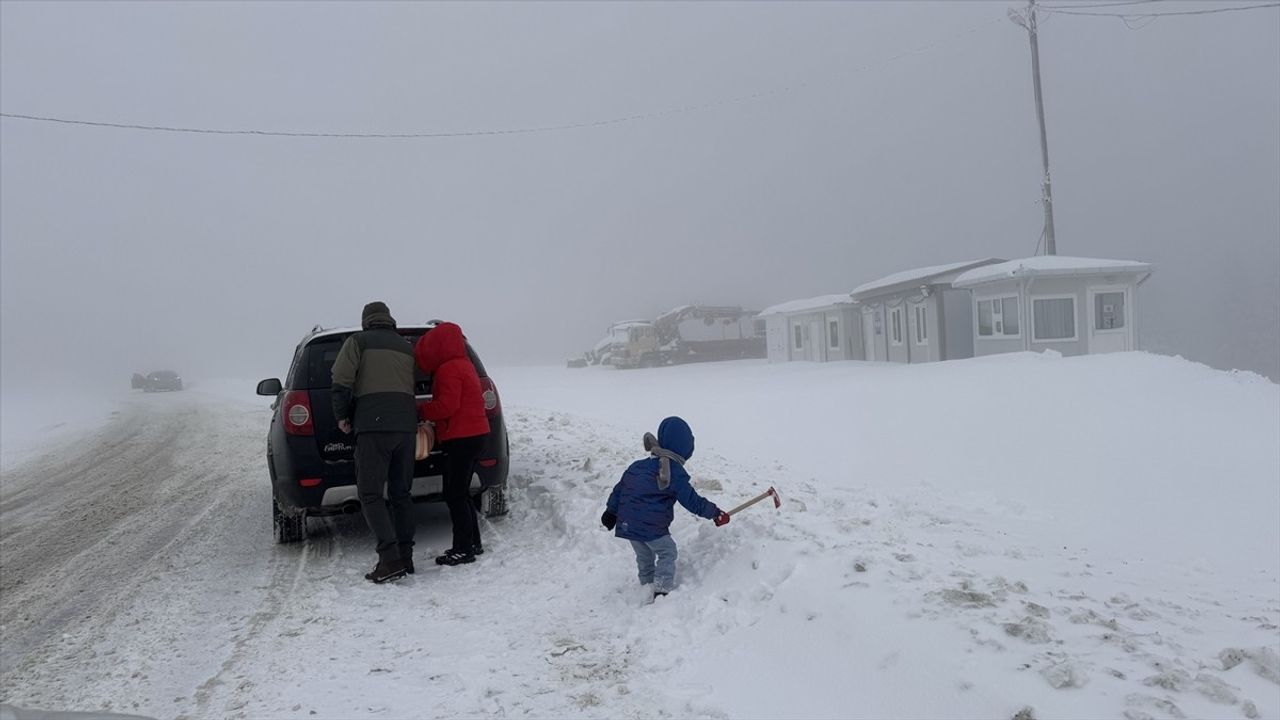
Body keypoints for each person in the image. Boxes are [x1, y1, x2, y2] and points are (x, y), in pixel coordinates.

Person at [331, 301, 418, 583]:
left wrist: (342, 415)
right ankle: (405, 556)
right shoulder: (405, 346)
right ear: (389, 319)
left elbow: (341, 379)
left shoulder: (358, 342)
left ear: (366, 320)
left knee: (370, 494)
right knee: (401, 493)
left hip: (373, 427)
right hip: (406, 427)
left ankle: (390, 559)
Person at [601, 416, 730, 599]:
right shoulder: (673, 471)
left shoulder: (638, 466)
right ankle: (661, 591)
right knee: (667, 552)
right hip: (651, 526)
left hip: (628, 524)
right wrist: (715, 513)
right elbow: (691, 500)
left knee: (644, 556)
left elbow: (620, 489)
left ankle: (645, 586)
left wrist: (610, 513)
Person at [415, 321, 491, 566]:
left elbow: (447, 406)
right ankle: (473, 543)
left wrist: (420, 410)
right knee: (462, 493)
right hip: (474, 435)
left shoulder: (448, 369)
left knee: (454, 494)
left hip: (462, 438)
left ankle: (463, 549)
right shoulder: (464, 364)